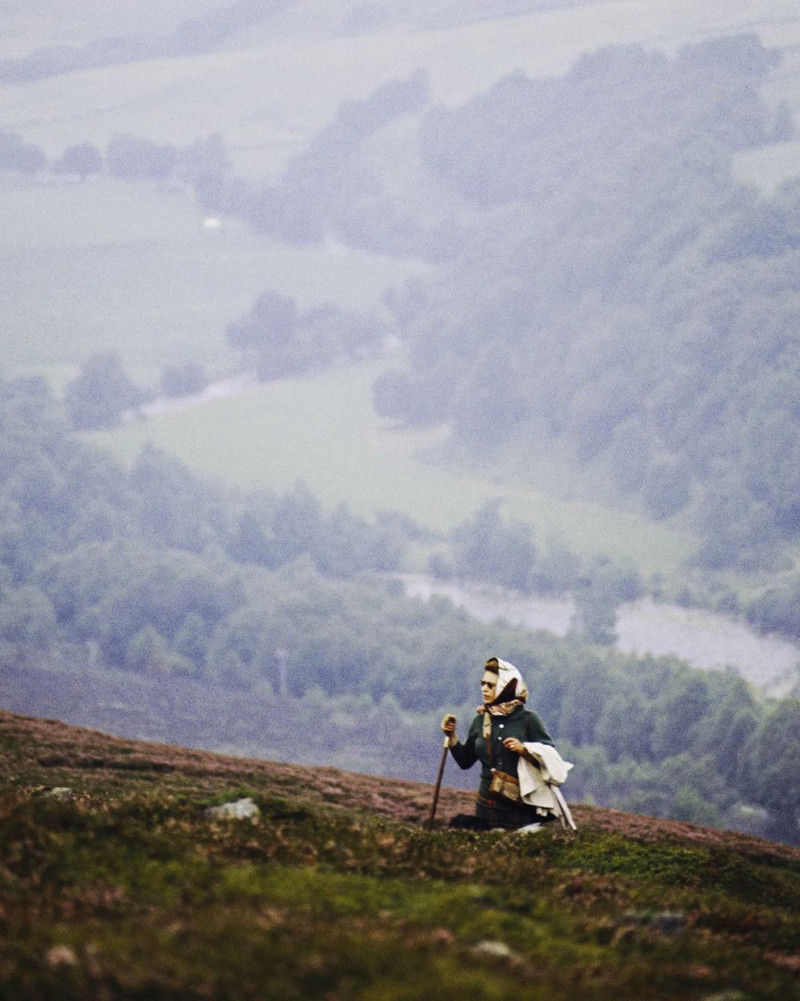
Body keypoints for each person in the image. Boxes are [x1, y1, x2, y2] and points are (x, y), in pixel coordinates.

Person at [441, 656, 558, 830]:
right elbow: (465, 761)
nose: (484, 689)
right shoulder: (480, 720)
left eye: (490, 685)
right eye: (482, 684)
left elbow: (550, 760)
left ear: (506, 686)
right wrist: (451, 736)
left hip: (523, 814)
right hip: (486, 812)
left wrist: (524, 750)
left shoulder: (529, 720)